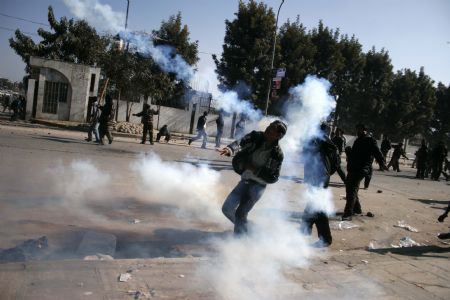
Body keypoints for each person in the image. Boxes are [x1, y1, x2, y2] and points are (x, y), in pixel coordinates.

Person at [219, 120, 287, 235]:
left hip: (258, 186)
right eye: (269, 126)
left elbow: (273, 177)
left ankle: (239, 240)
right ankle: (248, 229)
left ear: (278, 136)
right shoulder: (256, 136)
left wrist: (255, 170)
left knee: (240, 213)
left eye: (272, 129)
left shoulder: (277, 154)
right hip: (245, 180)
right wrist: (230, 149)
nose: (268, 129)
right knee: (227, 209)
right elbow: (241, 142)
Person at [342, 124, 387, 221]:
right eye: (357, 129)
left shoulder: (370, 140)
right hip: (353, 167)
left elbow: (377, 152)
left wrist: (382, 162)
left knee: (352, 189)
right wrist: (348, 151)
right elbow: (354, 155)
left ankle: (348, 213)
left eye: (360, 130)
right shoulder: (358, 140)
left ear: (365, 131)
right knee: (350, 188)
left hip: (362, 168)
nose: (358, 131)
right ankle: (357, 209)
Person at [301, 124, 336, 247]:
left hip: (319, 178)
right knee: (314, 207)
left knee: (317, 208)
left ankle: (318, 236)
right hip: (318, 177)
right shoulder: (324, 143)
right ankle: (306, 232)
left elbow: (306, 154)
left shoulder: (321, 142)